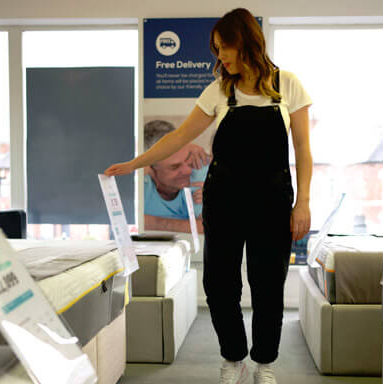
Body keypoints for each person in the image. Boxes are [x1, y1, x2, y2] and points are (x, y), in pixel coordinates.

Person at [105, 8, 312, 384]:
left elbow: (303, 150)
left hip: (273, 199)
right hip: (225, 198)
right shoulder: (219, 90)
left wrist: (304, 202)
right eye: (216, 50)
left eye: (224, 48)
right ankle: (233, 357)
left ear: (244, 41)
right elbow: (177, 138)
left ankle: (264, 364)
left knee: (268, 286)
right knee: (219, 284)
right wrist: (135, 163)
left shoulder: (289, 85)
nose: (220, 57)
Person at [143, 119, 210, 233]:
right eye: (174, 167)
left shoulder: (200, 169)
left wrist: (152, 223)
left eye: (187, 159)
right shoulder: (139, 186)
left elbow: (209, 228)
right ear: (150, 168)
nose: (187, 170)